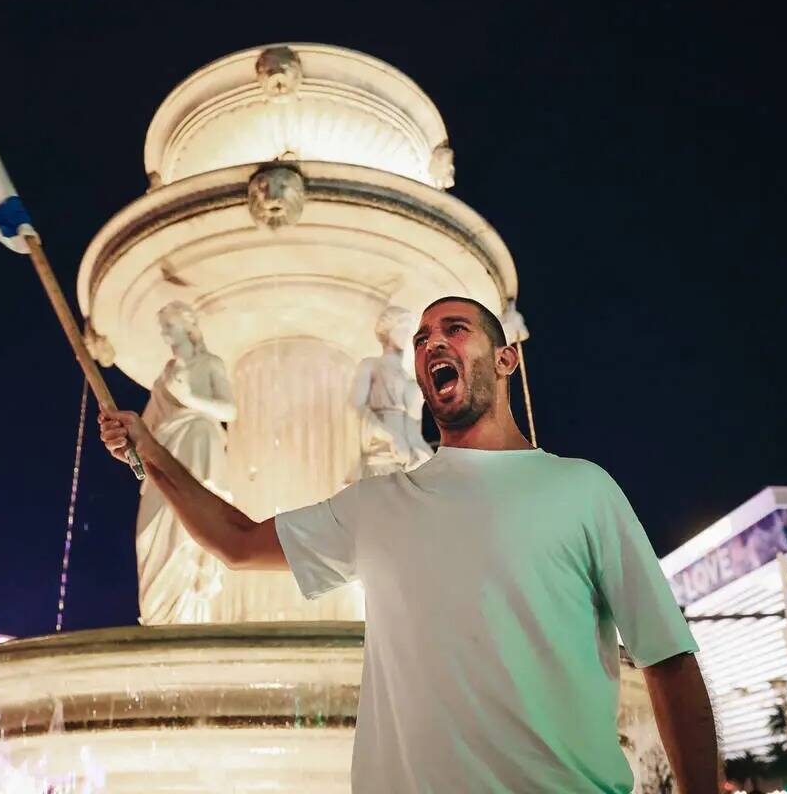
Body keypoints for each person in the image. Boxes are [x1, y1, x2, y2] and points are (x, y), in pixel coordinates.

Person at [99, 296, 719, 793]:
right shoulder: (378, 505)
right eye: (422, 339)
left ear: (505, 361)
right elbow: (235, 542)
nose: (432, 344)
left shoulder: (582, 490)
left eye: (455, 329)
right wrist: (150, 451)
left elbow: (668, 659)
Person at [134, 301, 236, 625]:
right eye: (163, 326)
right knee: (149, 533)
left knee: (189, 530)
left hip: (198, 444)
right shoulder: (164, 377)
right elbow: (148, 425)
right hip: (163, 450)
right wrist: (127, 437)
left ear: (189, 328)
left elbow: (229, 411)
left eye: (170, 325)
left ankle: (188, 616)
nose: (164, 332)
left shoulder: (209, 364)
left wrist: (190, 400)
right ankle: (159, 615)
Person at [349, 305, 433, 479]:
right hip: (381, 456)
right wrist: (391, 437)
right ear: (387, 330)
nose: (408, 334)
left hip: (407, 458)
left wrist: (421, 455)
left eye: (410, 330)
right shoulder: (370, 365)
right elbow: (355, 409)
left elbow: (413, 425)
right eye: (402, 328)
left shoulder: (410, 379)